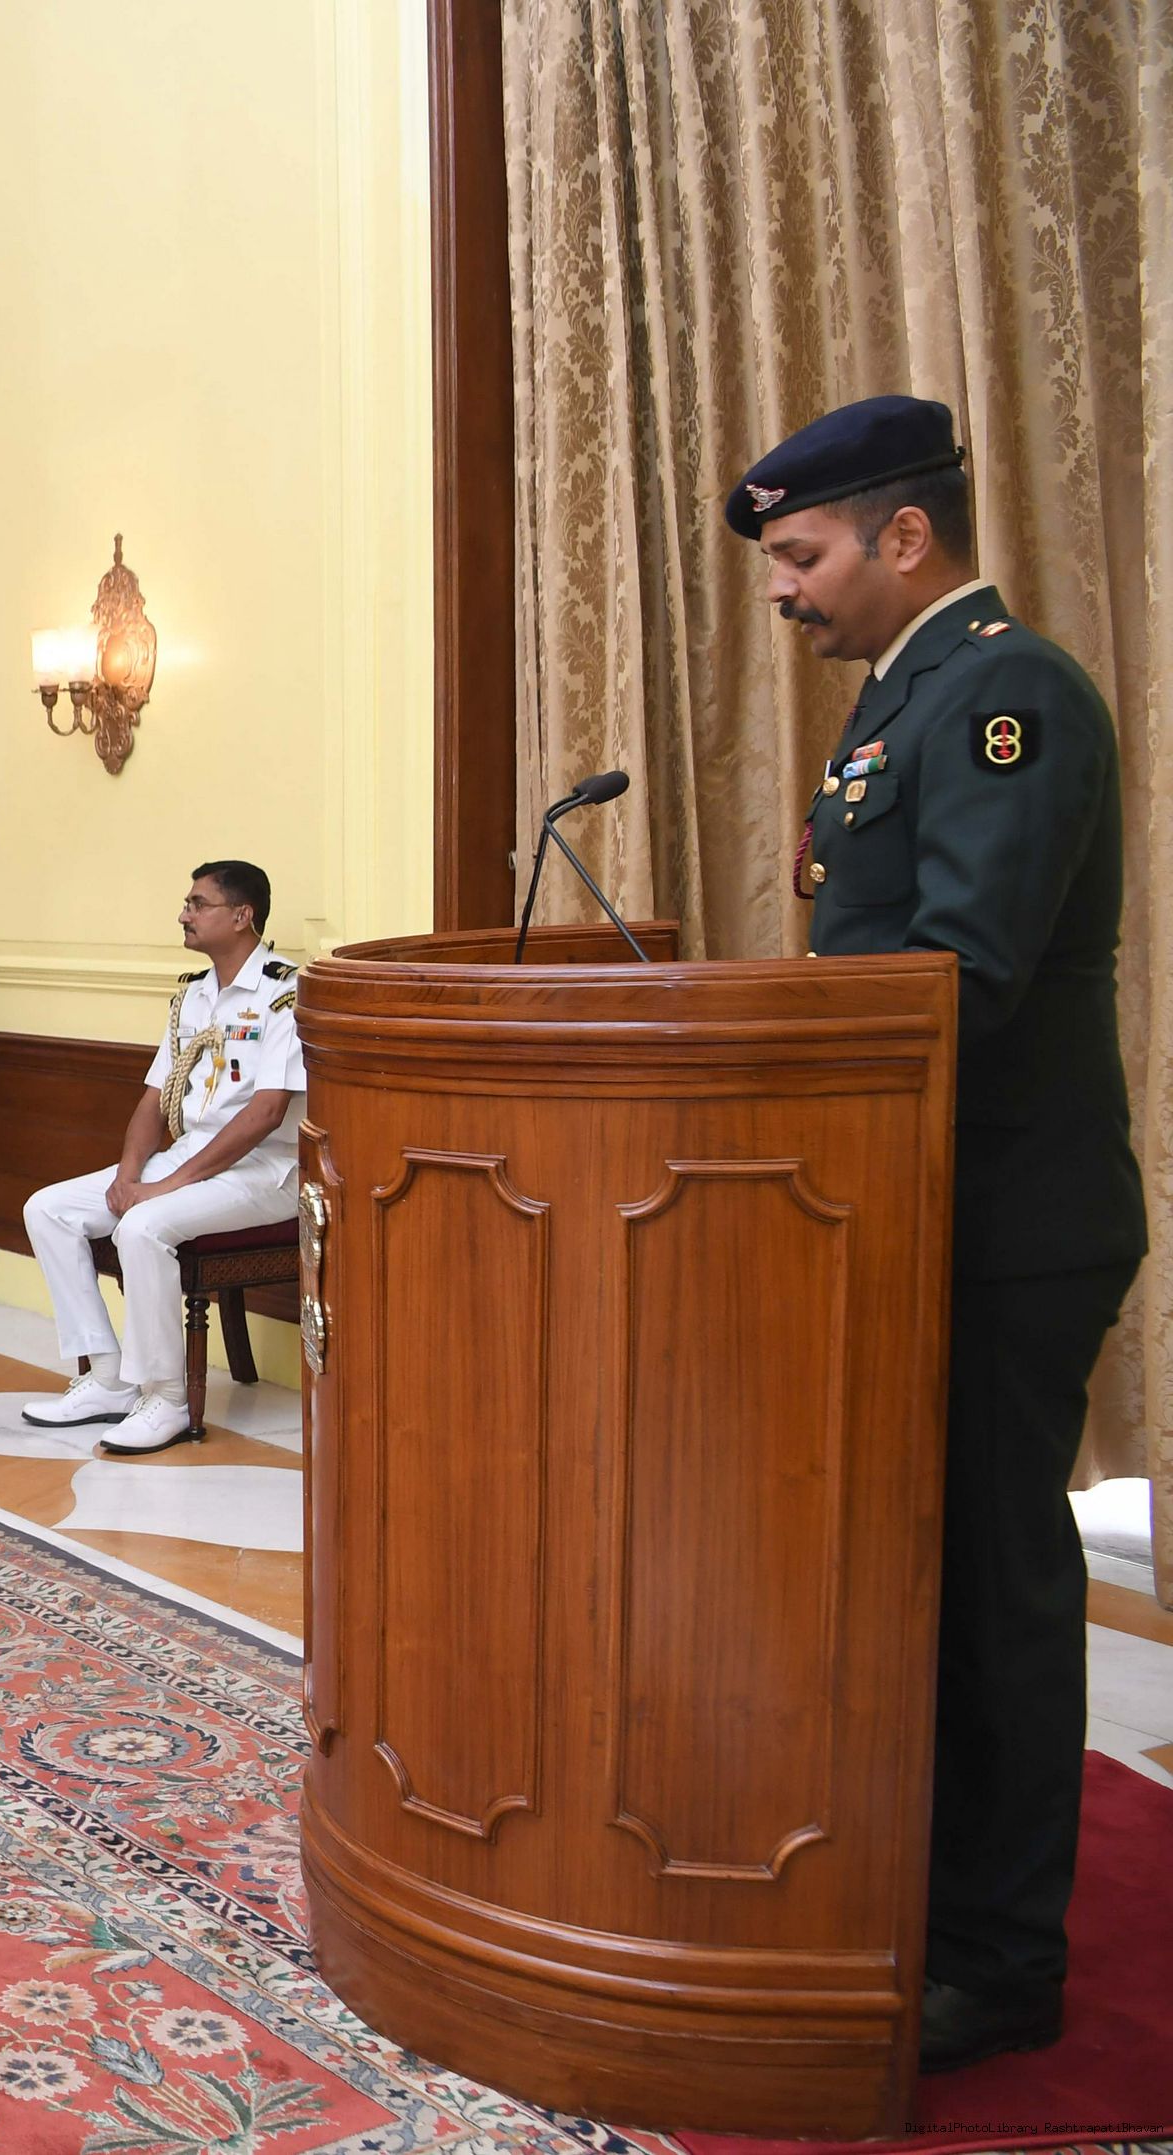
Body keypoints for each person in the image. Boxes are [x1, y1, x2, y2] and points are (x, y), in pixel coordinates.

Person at [734, 394, 1143, 2076]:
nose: (784, 590)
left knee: (990, 1590)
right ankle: (922, 1886)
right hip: (911, 1205)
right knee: (925, 1580)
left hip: (1002, 1216)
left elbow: (958, 976)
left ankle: (1000, 1957)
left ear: (907, 537)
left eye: (803, 554)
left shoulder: (1002, 694)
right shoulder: (909, 698)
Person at [18, 860, 301, 1457]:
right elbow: (155, 1099)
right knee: (49, 1209)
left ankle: (167, 1398)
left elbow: (266, 1113)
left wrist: (161, 1188)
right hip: (190, 1156)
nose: (183, 915)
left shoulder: (283, 995)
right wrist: (128, 1176)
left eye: (198, 904)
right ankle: (108, 1378)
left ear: (242, 915)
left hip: (267, 1172)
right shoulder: (193, 995)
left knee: (142, 1226)